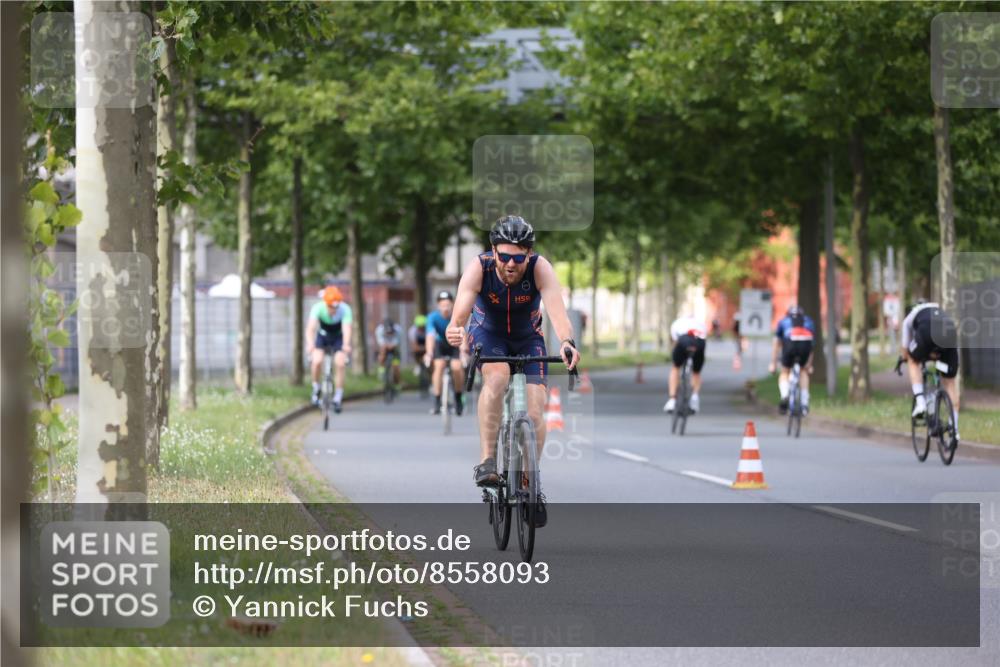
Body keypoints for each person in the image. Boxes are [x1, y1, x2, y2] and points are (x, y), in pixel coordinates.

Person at [446, 215, 580, 528]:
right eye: (504, 256)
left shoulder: (540, 268)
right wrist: (455, 329)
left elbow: (557, 313)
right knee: (497, 377)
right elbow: (460, 313)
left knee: (535, 411)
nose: (510, 264)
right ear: (493, 251)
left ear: (528, 255)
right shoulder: (479, 268)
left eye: (518, 259)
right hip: (488, 335)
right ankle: (487, 461)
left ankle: (530, 482)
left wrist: (566, 342)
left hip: (528, 338)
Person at [899, 299, 960, 441]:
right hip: (949, 332)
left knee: (913, 361)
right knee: (950, 383)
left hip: (927, 331)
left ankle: (921, 403)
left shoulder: (912, 315)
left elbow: (905, 347)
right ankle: (954, 429)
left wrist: (904, 357)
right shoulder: (940, 310)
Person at [306, 286, 353, 412]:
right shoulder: (318, 308)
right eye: (331, 307)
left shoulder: (345, 309)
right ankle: (316, 388)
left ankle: (338, 396)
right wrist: (310, 344)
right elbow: (311, 328)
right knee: (316, 361)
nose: (333, 310)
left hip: (338, 337)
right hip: (323, 336)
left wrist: (346, 344)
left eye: (336, 307)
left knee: (340, 363)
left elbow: (347, 329)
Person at [768, 304, 815, 415]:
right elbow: (812, 346)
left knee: (785, 371)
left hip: (790, 344)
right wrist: (809, 364)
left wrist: (773, 363)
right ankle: (804, 403)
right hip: (805, 346)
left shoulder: (783, 321)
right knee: (803, 371)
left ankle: (785, 396)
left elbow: (776, 343)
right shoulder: (809, 322)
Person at [426, 291, 465, 416]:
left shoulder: (457, 316)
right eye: (443, 305)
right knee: (439, 366)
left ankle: (458, 398)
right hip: (440, 344)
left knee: (457, 367)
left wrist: (463, 351)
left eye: (448, 305)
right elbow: (430, 335)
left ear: (452, 304)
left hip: (454, 344)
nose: (446, 308)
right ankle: (437, 401)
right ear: (438, 305)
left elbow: (463, 334)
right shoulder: (432, 317)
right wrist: (429, 353)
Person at [663, 315, 707, 414]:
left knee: (675, 368)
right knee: (696, 372)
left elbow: (675, 340)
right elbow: (704, 336)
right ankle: (695, 397)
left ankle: (672, 400)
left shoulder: (676, 323)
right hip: (699, 341)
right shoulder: (701, 323)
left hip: (683, 340)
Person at [374, 316, 402, 387]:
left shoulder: (398, 330)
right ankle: (381, 368)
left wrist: (392, 346)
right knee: (382, 351)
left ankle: (397, 385)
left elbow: (396, 343)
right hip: (384, 347)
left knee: (396, 367)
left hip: (394, 348)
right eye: (387, 332)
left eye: (391, 332)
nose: (389, 333)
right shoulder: (379, 330)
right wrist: (386, 346)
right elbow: (381, 344)